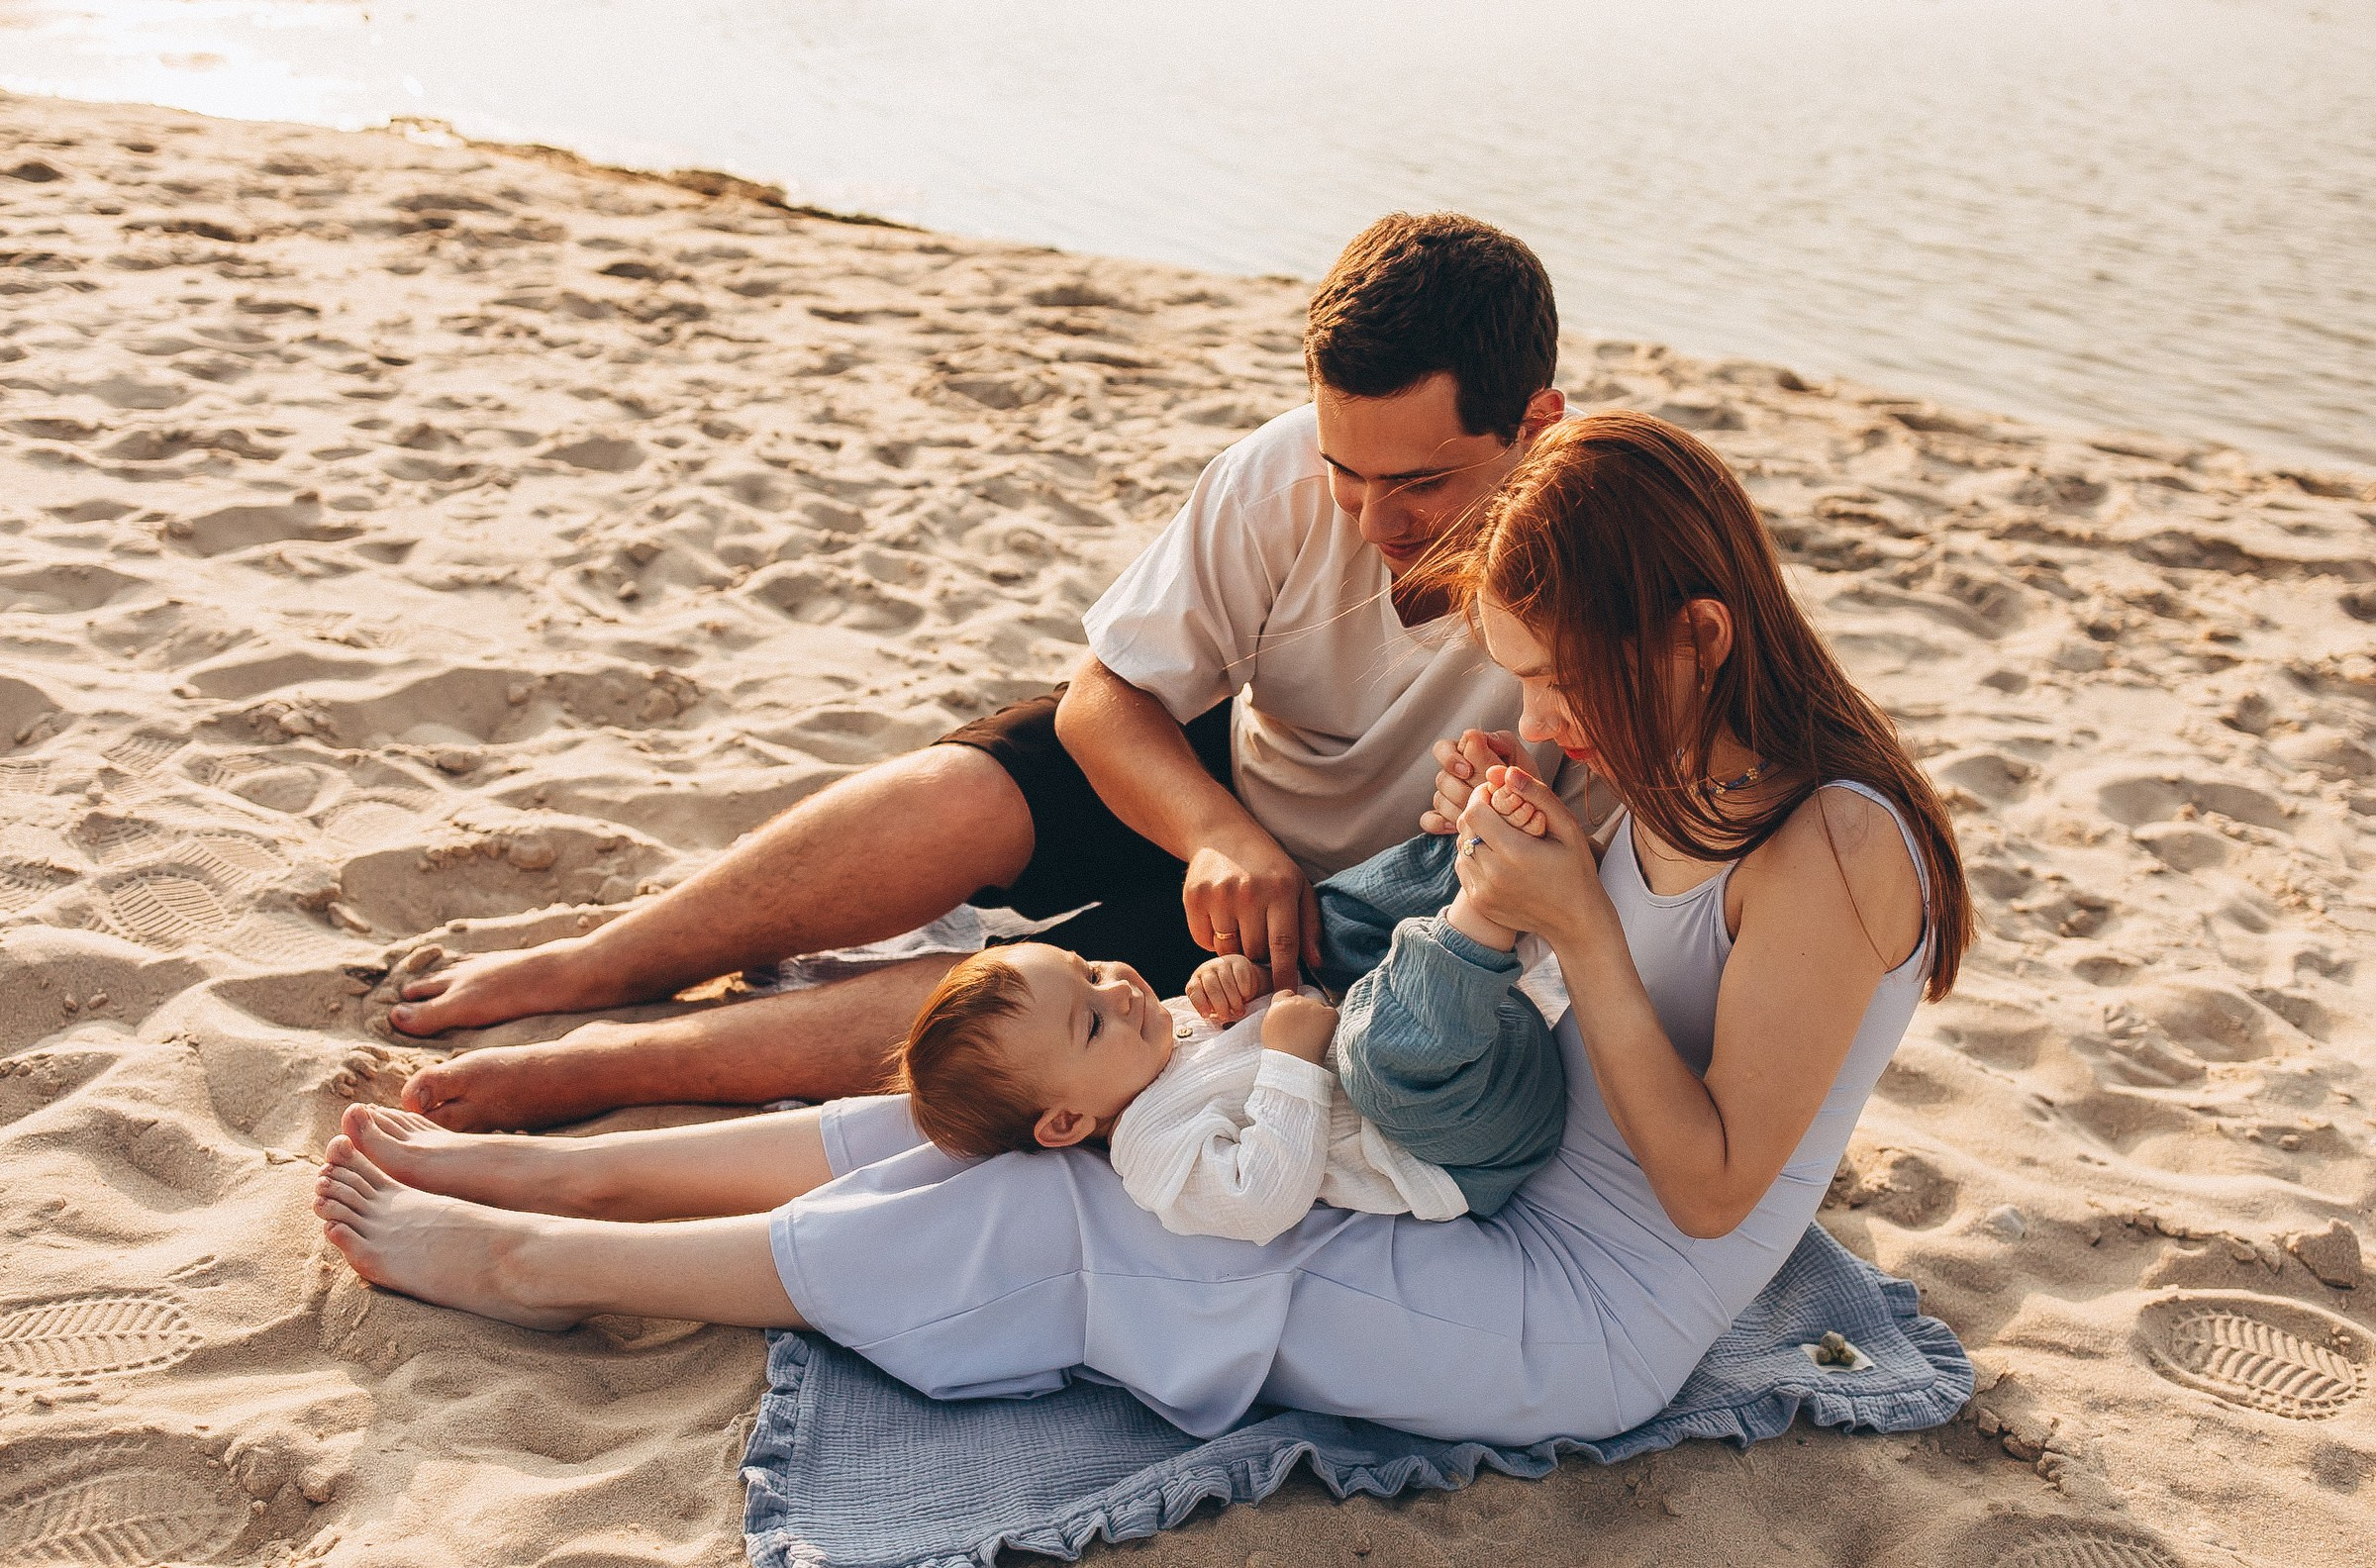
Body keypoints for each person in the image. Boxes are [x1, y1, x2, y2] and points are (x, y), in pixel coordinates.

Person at [312, 411, 1973, 1447]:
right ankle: (558, 1175)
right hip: (1454, 1182)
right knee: (1093, 1109)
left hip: (1569, 1310)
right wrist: (1496, 845)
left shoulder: (1832, 847)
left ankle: (540, 1258)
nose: (1540, 720)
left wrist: (1579, 936)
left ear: (1697, 636)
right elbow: (1525, 969)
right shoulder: (1653, 761)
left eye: (1557, 685)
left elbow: (1710, 1187)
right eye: (1520, 684)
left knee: (1063, 1219)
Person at [380, 211, 1590, 1132]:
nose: (1372, 519)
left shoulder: (1621, 555)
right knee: (976, 787)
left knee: (1022, 1021)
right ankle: (599, 963)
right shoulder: (1280, 473)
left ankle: (609, 1063)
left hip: (1355, 914)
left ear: (1538, 423)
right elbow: (1104, 700)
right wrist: (1216, 834)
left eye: (1419, 484)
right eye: (1346, 472)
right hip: (1229, 789)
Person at [891, 781, 1560, 1245]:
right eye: (1091, 1023)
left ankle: (1482, 852)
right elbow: (1259, 1199)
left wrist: (1242, 981)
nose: (1117, 991)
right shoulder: (1151, 1149)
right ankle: (1487, 908)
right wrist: (1290, 1061)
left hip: (1452, 1035)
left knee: (1319, 925)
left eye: (1089, 971)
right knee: (1375, 1062)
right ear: (1066, 1122)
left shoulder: (1155, 1033)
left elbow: (1271, 1016)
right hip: (1450, 1137)